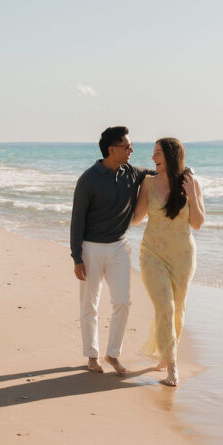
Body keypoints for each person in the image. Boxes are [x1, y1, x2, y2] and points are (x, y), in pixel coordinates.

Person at [70, 126, 150, 376]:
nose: (131, 150)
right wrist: (77, 257)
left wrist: (183, 172)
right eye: (127, 146)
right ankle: (92, 355)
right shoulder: (89, 179)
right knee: (89, 305)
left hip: (119, 246)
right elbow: (77, 219)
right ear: (112, 149)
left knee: (123, 302)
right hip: (90, 248)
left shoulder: (132, 173)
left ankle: (112, 354)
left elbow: (158, 174)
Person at [133, 137, 205, 387]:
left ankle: (165, 351)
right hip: (152, 254)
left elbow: (197, 223)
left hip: (183, 257)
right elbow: (136, 218)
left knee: (178, 309)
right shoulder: (148, 183)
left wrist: (192, 195)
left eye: (158, 153)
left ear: (172, 156)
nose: (153, 158)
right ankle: (172, 367)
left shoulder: (191, 182)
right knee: (166, 307)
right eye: (153, 153)